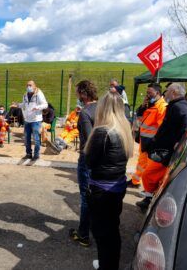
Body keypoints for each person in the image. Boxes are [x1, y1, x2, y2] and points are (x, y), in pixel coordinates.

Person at [85, 91, 134, 270]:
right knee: (112, 230)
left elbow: (89, 162)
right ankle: (110, 264)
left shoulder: (102, 132)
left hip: (101, 191)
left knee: (101, 232)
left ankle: (107, 265)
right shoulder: (125, 128)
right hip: (117, 187)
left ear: (103, 108)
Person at [136, 83, 187, 210]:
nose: (165, 93)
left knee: (148, 174)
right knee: (155, 176)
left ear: (174, 92)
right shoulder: (177, 105)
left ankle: (149, 200)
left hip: (166, 151)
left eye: (167, 90)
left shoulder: (179, 107)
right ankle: (150, 200)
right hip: (162, 148)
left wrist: (180, 142)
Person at [69, 80, 98, 247]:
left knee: (86, 196)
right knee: (96, 194)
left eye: (78, 92)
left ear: (83, 93)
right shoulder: (102, 107)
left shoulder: (86, 113)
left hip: (88, 160)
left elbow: (89, 141)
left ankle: (83, 235)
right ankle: (94, 228)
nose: (77, 96)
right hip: (102, 159)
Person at [129, 83, 167, 189]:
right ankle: (135, 181)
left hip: (152, 142)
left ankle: (148, 191)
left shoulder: (161, 107)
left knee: (150, 168)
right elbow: (141, 120)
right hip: (144, 140)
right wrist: (142, 107)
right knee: (141, 163)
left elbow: (161, 128)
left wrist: (154, 141)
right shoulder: (151, 105)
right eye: (147, 92)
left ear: (158, 93)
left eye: (150, 93)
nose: (148, 95)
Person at [18, 80, 48, 161]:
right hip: (27, 120)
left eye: (30, 85)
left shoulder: (39, 93)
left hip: (36, 120)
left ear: (34, 86)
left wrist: (37, 107)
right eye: (27, 85)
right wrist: (17, 105)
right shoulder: (25, 94)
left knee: (36, 138)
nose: (28, 87)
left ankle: (36, 155)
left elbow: (45, 104)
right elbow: (24, 104)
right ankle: (28, 154)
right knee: (27, 138)